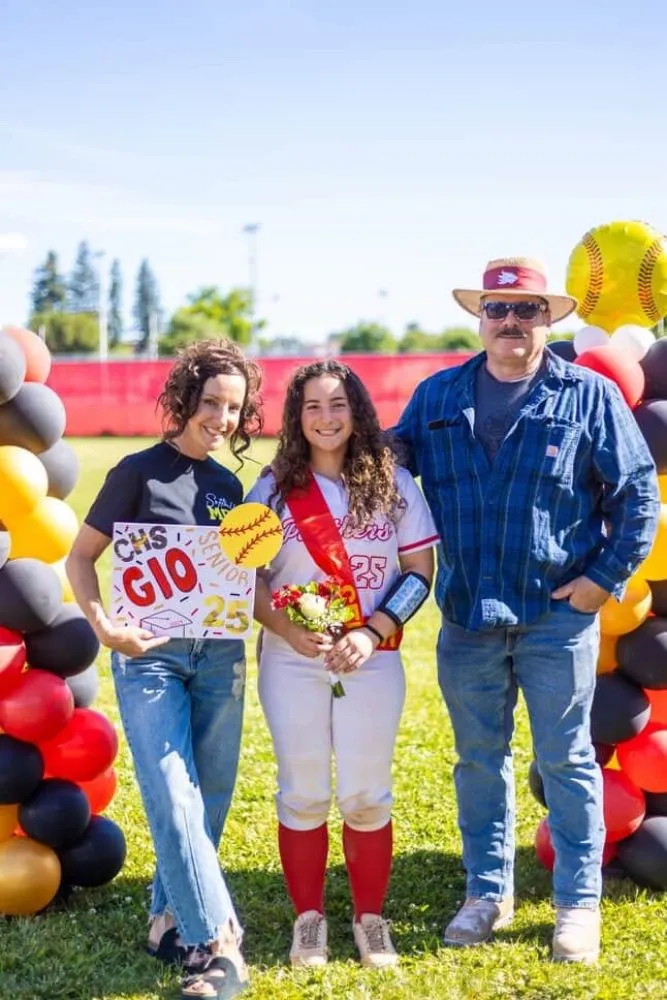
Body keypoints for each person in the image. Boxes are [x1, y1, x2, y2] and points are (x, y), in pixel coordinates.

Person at [392, 257, 660, 964]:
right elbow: (380, 473)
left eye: (526, 311)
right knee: (478, 761)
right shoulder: (436, 397)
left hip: (555, 618)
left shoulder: (588, 397)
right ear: (479, 318)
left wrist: (600, 581)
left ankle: (576, 905)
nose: (510, 323)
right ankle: (486, 893)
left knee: (567, 761)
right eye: (497, 310)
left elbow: (636, 495)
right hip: (466, 619)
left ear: (549, 319)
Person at [66, 339, 262, 1000]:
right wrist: (105, 626)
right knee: (173, 793)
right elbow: (79, 560)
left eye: (234, 408)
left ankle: (166, 920)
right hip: (149, 658)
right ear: (184, 399)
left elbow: (236, 578)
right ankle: (217, 946)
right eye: (211, 402)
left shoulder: (228, 486)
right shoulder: (136, 472)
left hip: (220, 659)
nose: (222, 418)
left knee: (208, 798)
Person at [247, 359, 439, 969]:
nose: (326, 418)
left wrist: (374, 629)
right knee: (302, 793)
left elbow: (419, 575)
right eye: (312, 407)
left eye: (338, 404)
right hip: (291, 660)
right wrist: (285, 627)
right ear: (295, 418)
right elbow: (240, 582)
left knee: (365, 794)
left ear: (357, 411)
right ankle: (310, 922)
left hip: (372, 660)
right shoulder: (272, 490)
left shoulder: (395, 483)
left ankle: (370, 919)